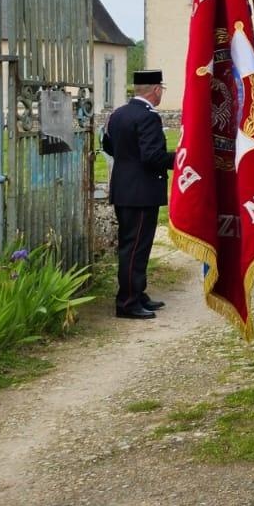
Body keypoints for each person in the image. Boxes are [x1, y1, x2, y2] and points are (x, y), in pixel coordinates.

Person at [102, 68, 174, 320]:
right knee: (135, 248)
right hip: (141, 191)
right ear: (156, 90)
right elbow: (152, 156)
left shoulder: (118, 114)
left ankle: (137, 292)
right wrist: (182, 158)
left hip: (124, 188)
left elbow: (108, 146)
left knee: (133, 246)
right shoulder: (148, 117)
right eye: (161, 90)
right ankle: (128, 302)